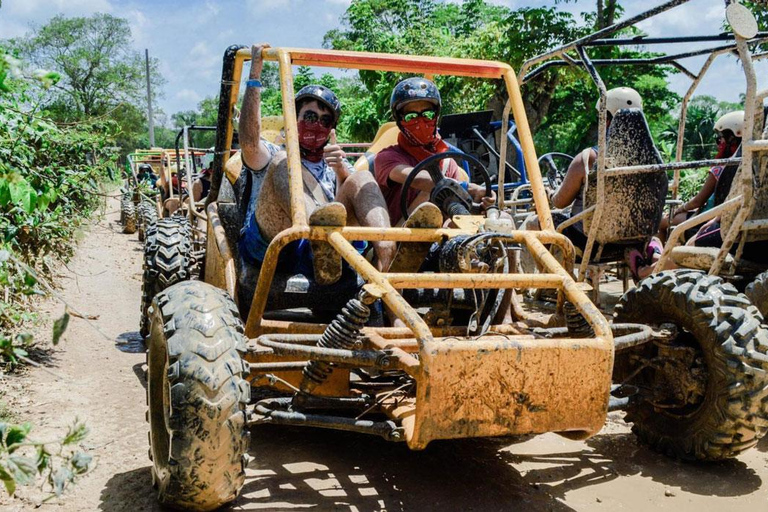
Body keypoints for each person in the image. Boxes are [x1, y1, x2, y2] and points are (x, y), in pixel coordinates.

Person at [236, 44, 396, 308]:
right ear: (294, 118)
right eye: (310, 116)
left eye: (325, 121)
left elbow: (345, 205)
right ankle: (319, 235)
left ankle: (389, 251)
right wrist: (255, 71)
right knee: (285, 162)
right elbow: (250, 142)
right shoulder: (274, 153)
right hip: (273, 244)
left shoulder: (334, 164)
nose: (317, 124)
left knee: (362, 178)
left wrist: (343, 174)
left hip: (323, 254)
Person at [522, 86, 660, 278]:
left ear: (609, 119)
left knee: (532, 223)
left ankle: (554, 282)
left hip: (590, 243)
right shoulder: (653, 161)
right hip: (636, 241)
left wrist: (550, 194)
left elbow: (560, 202)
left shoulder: (588, 158)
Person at [373, 77, 496, 225]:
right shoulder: (387, 157)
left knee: (501, 219)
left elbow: (458, 205)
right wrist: (468, 188)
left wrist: (483, 201)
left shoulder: (447, 163)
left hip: (439, 237)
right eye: (411, 116)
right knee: (434, 187)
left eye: (427, 115)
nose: (421, 122)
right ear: (400, 121)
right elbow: (417, 179)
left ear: (436, 116)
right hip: (400, 236)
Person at [658, 111, 744, 244]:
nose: (718, 143)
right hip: (719, 217)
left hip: (706, 216)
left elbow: (698, 201)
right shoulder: (746, 165)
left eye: (719, 138)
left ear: (731, 138)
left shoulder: (721, 167)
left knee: (660, 222)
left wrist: (681, 208)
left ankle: (656, 257)